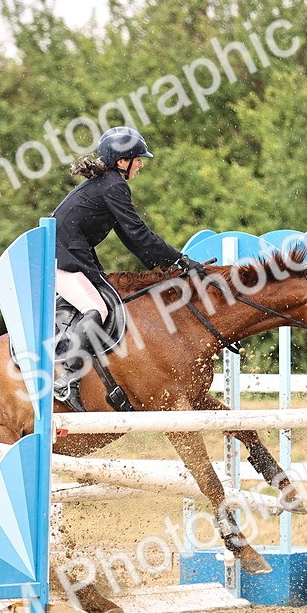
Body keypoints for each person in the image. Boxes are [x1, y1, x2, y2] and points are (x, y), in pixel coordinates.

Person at [49, 126, 207, 407]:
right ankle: (65, 381)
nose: (142, 164)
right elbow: (138, 232)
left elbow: (131, 238)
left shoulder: (109, 184)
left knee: (106, 301)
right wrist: (179, 260)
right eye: (138, 158)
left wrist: (167, 266)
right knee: (96, 308)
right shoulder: (114, 186)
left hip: (71, 254)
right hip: (60, 257)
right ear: (122, 161)